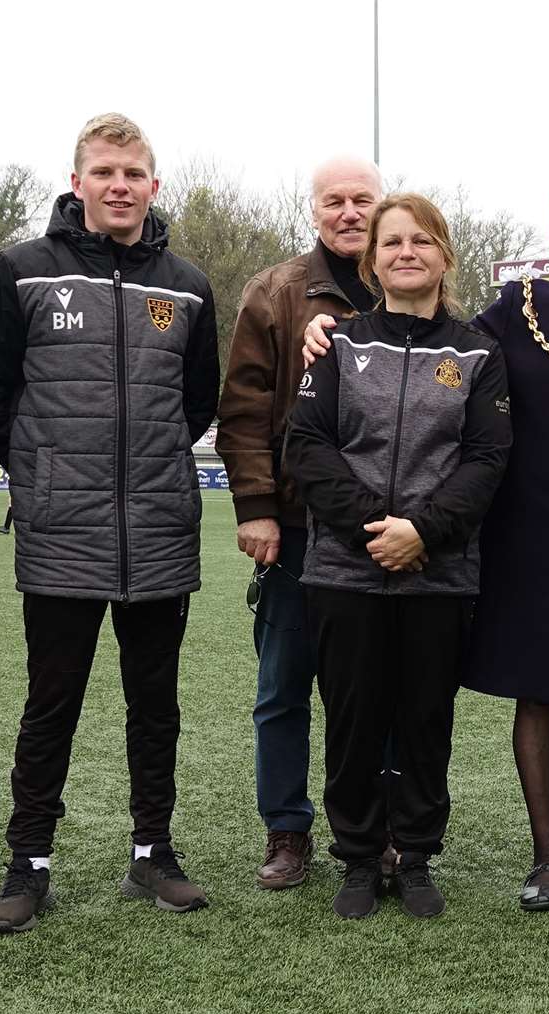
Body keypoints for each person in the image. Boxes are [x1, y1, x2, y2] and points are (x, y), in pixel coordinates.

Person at [306, 174, 549, 912]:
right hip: (528, 535)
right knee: (538, 693)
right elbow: (424, 322)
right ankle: (544, 862)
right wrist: (325, 326)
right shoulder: (518, 309)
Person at [0, 113, 220, 932]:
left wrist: (140, 468)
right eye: (104, 173)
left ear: (153, 184)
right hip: (61, 530)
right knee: (52, 703)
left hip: (157, 532)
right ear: (77, 183)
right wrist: (44, 471)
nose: (120, 186)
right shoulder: (22, 269)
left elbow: (198, 402)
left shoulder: (186, 282)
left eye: (134, 173)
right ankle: (28, 861)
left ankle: (153, 854)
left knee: (157, 706)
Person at [288, 193, 510, 919]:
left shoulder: (479, 353)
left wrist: (423, 531)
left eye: (421, 241)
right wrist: (374, 531)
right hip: (343, 573)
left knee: (424, 721)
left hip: (438, 576)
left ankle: (414, 856)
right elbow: (309, 448)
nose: (405, 252)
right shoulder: (339, 346)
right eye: (391, 243)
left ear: (444, 253)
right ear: (370, 259)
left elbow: (485, 458)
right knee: (351, 719)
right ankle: (357, 858)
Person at [218, 157, 382, 890]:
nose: (350, 212)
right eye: (335, 201)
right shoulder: (275, 292)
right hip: (296, 527)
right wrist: (255, 507)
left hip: (382, 531)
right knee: (283, 688)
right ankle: (286, 829)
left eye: (362, 200)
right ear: (314, 210)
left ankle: (373, 826)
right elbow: (245, 410)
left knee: (373, 688)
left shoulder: (410, 281)